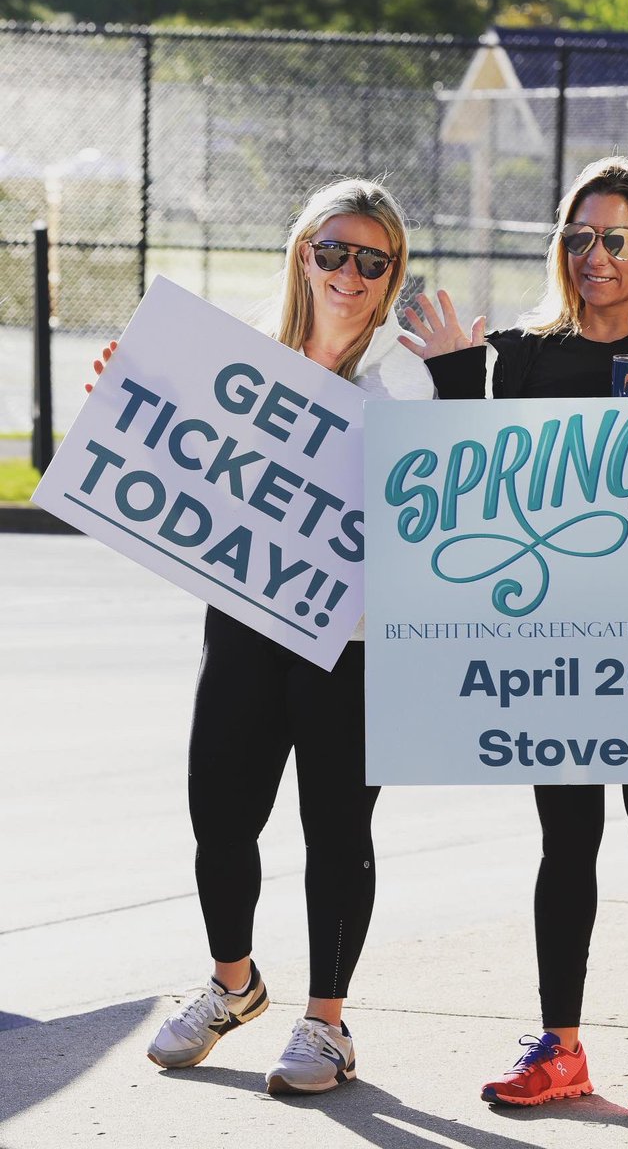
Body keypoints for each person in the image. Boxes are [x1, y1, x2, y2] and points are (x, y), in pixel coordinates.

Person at [399, 155, 628, 1117]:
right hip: (552, 638)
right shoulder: (527, 354)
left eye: (614, 239)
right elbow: (479, 483)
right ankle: (560, 1046)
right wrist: (457, 384)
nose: (592, 256)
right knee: (566, 837)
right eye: (577, 237)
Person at [89, 179, 433, 1095]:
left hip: (353, 643)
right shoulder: (240, 351)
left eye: (372, 259)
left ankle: (326, 1025)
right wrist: (125, 407)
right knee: (220, 814)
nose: (349, 274)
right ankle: (233, 985)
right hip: (245, 618)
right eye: (332, 252)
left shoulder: (402, 371)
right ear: (301, 254)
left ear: (392, 271)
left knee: (336, 828)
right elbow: (182, 454)